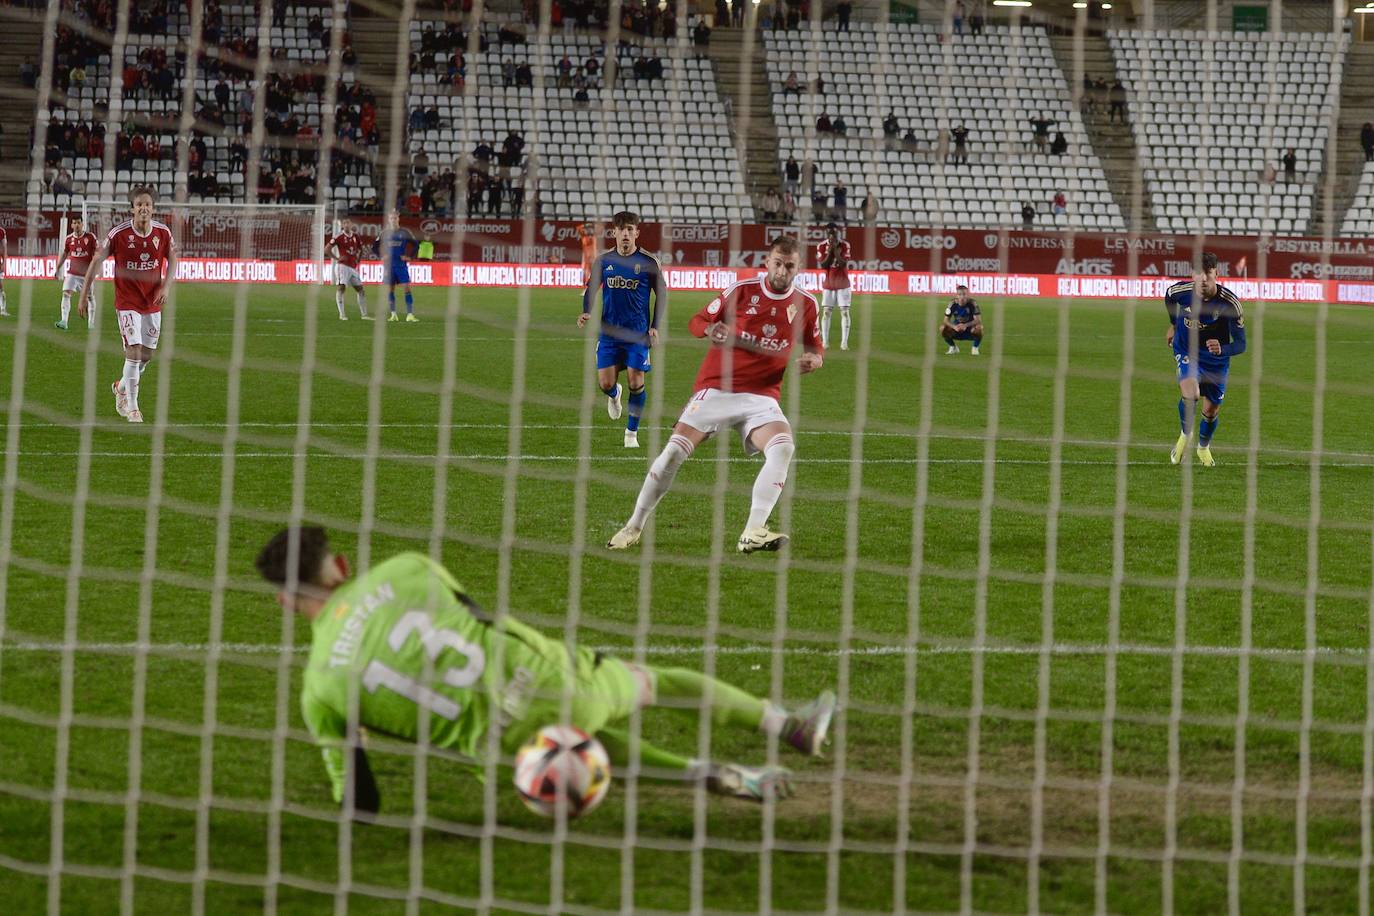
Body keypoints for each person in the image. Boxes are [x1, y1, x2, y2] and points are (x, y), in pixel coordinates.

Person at [254, 527, 837, 811]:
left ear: (284, 601)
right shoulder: (403, 569)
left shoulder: (320, 690)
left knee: (577, 742)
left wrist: (355, 735)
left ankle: (711, 773)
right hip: (555, 681)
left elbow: (362, 804)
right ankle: (788, 726)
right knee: (654, 683)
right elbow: (477, 616)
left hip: (513, 758)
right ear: (341, 564)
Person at [606, 237, 822, 554]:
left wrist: (815, 359)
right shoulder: (742, 291)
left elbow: (815, 346)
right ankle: (633, 526)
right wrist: (709, 330)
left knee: (783, 447)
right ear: (767, 261)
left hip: (762, 396)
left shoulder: (807, 304)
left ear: (798, 267)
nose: (782, 270)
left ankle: (753, 530)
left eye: (789, 265)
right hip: (717, 388)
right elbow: (696, 321)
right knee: (673, 454)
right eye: (778, 262)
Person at [77, 186, 178, 423]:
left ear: (153, 209)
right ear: (132, 209)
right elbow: (95, 262)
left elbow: (173, 259)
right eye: (139, 204)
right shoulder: (118, 234)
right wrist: (83, 295)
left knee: (146, 356)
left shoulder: (162, 233)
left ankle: (121, 387)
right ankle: (132, 407)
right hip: (127, 302)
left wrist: (166, 286)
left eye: (148, 205)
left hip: (152, 302)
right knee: (132, 352)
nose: (144, 208)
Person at [577, 211, 666, 449]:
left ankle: (631, 434)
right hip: (609, 335)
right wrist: (586, 310)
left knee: (636, 381)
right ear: (614, 232)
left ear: (636, 233)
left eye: (630, 229)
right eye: (621, 229)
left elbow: (662, 295)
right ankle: (614, 394)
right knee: (605, 383)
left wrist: (655, 326)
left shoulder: (648, 262)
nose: (625, 234)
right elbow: (591, 288)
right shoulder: (604, 261)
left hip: (637, 335)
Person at [1165, 252, 1245, 467]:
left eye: (1208, 274)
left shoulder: (1230, 304)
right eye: (1198, 274)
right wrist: (1174, 324)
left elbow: (1241, 344)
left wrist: (1223, 348)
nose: (1203, 280)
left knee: (1211, 411)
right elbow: (1169, 297)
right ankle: (1185, 435)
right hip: (1186, 350)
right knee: (1191, 393)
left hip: (1216, 360)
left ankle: (1203, 448)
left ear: (1216, 274)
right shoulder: (1180, 292)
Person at [53, 214, 98, 331]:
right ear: (71, 225)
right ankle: (64, 321)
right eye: (75, 223)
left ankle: (91, 323)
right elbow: (65, 253)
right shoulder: (69, 239)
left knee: (90, 298)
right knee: (66, 293)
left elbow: (97, 253)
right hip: (72, 273)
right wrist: (58, 268)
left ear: (82, 224)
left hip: (86, 275)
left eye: (79, 223)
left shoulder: (90, 237)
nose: (77, 225)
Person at [375, 211, 418, 322]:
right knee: (390, 290)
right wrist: (382, 256)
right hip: (389, 266)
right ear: (389, 220)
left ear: (398, 219)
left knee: (407, 288)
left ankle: (410, 315)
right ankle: (393, 314)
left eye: (395, 218)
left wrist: (409, 256)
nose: (393, 220)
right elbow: (374, 247)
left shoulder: (404, 232)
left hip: (401, 266)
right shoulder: (384, 233)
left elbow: (416, 245)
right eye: (391, 218)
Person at [326, 219, 371, 320]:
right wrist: (337, 258)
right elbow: (327, 249)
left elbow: (361, 248)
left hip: (352, 267)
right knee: (341, 288)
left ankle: (364, 315)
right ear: (342, 225)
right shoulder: (338, 236)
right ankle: (342, 315)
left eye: (348, 223)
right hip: (342, 266)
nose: (347, 225)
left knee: (360, 290)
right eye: (345, 223)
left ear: (351, 224)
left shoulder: (355, 236)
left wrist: (358, 260)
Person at [817, 223, 852, 351]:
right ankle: (825, 342)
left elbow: (843, 264)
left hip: (843, 284)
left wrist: (836, 252)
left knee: (844, 312)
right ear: (827, 234)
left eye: (834, 233)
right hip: (829, 284)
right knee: (826, 312)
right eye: (830, 233)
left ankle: (844, 343)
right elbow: (824, 265)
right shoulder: (821, 246)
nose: (832, 236)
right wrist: (830, 252)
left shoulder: (845, 245)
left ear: (838, 233)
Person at [940, 284, 982, 356]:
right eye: (960, 294)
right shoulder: (952, 304)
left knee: (979, 328)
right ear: (957, 295)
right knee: (942, 328)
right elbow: (945, 320)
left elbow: (978, 320)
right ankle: (953, 347)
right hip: (957, 328)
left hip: (969, 327)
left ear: (967, 295)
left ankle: (975, 348)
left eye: (964, 294)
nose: (962, 296)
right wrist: (954, 327)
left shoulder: (973, 303)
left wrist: (965, 325)